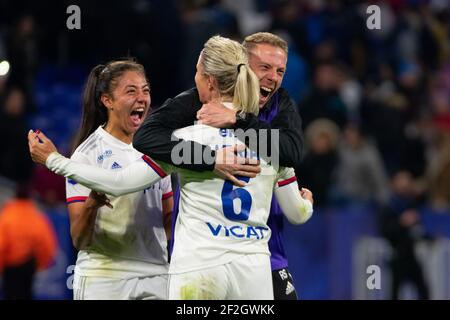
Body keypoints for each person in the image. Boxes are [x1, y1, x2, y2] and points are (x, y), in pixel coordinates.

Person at [28, 36, 313, 300]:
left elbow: (119, 181)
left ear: (210, 81)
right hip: (253, 272)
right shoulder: (272, 144)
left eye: (198, 73)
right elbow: (298, 213)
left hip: (200, 270)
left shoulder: (184, 141)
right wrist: (307, 203)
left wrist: (54, 160)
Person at [133, 32, 305, 299]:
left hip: (263, 254)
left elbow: (293, 152)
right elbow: (146, 137)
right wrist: (210, 160)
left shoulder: (280, 103)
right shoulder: (199, 100)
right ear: (241, 65)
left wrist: (238, 119)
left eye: (280, 71)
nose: (274, 77)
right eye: (265, 68)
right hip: (204, 253)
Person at [40, 60, 173, 300]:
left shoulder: (158, 147)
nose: (142, 98)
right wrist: (92, 204)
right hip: (105, 277)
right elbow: (79, 239)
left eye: (146, 90)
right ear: (107, 101)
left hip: (155, 275)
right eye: (131, 91)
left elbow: (167, 222)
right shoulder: (86, 155)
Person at [0, 184, 57, 299]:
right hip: (29, 264)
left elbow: (1, 244)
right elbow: (47, 243)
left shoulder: (7, 216)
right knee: (27, 294)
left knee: (11, 294)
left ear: (15, 196)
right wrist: (40, 264)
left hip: (10, 266)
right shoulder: (37, 217)